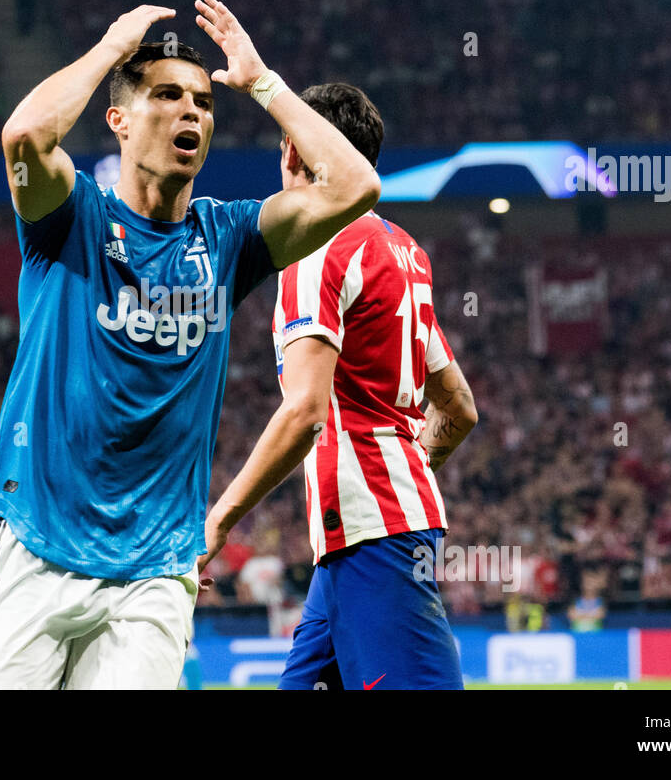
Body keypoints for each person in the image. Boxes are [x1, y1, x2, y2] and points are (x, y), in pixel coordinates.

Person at [0, 0, 382, 689]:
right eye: (166, 95)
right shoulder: (70, 219)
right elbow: (24, 137)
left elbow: (356, 185)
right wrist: (107, 51)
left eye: (205, 102)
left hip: (154, 575)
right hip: (39, 548)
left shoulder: (230, 239)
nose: (192, 111)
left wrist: (262, 81)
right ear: (118, 120)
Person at [198, 81, 478, 690]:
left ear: (296, 154)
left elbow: (305, 412)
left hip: (375, 535)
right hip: (366, 532)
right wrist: (407, 469)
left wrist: (217, 522)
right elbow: (458, 406)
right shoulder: (405, 252)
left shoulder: (315, 246)